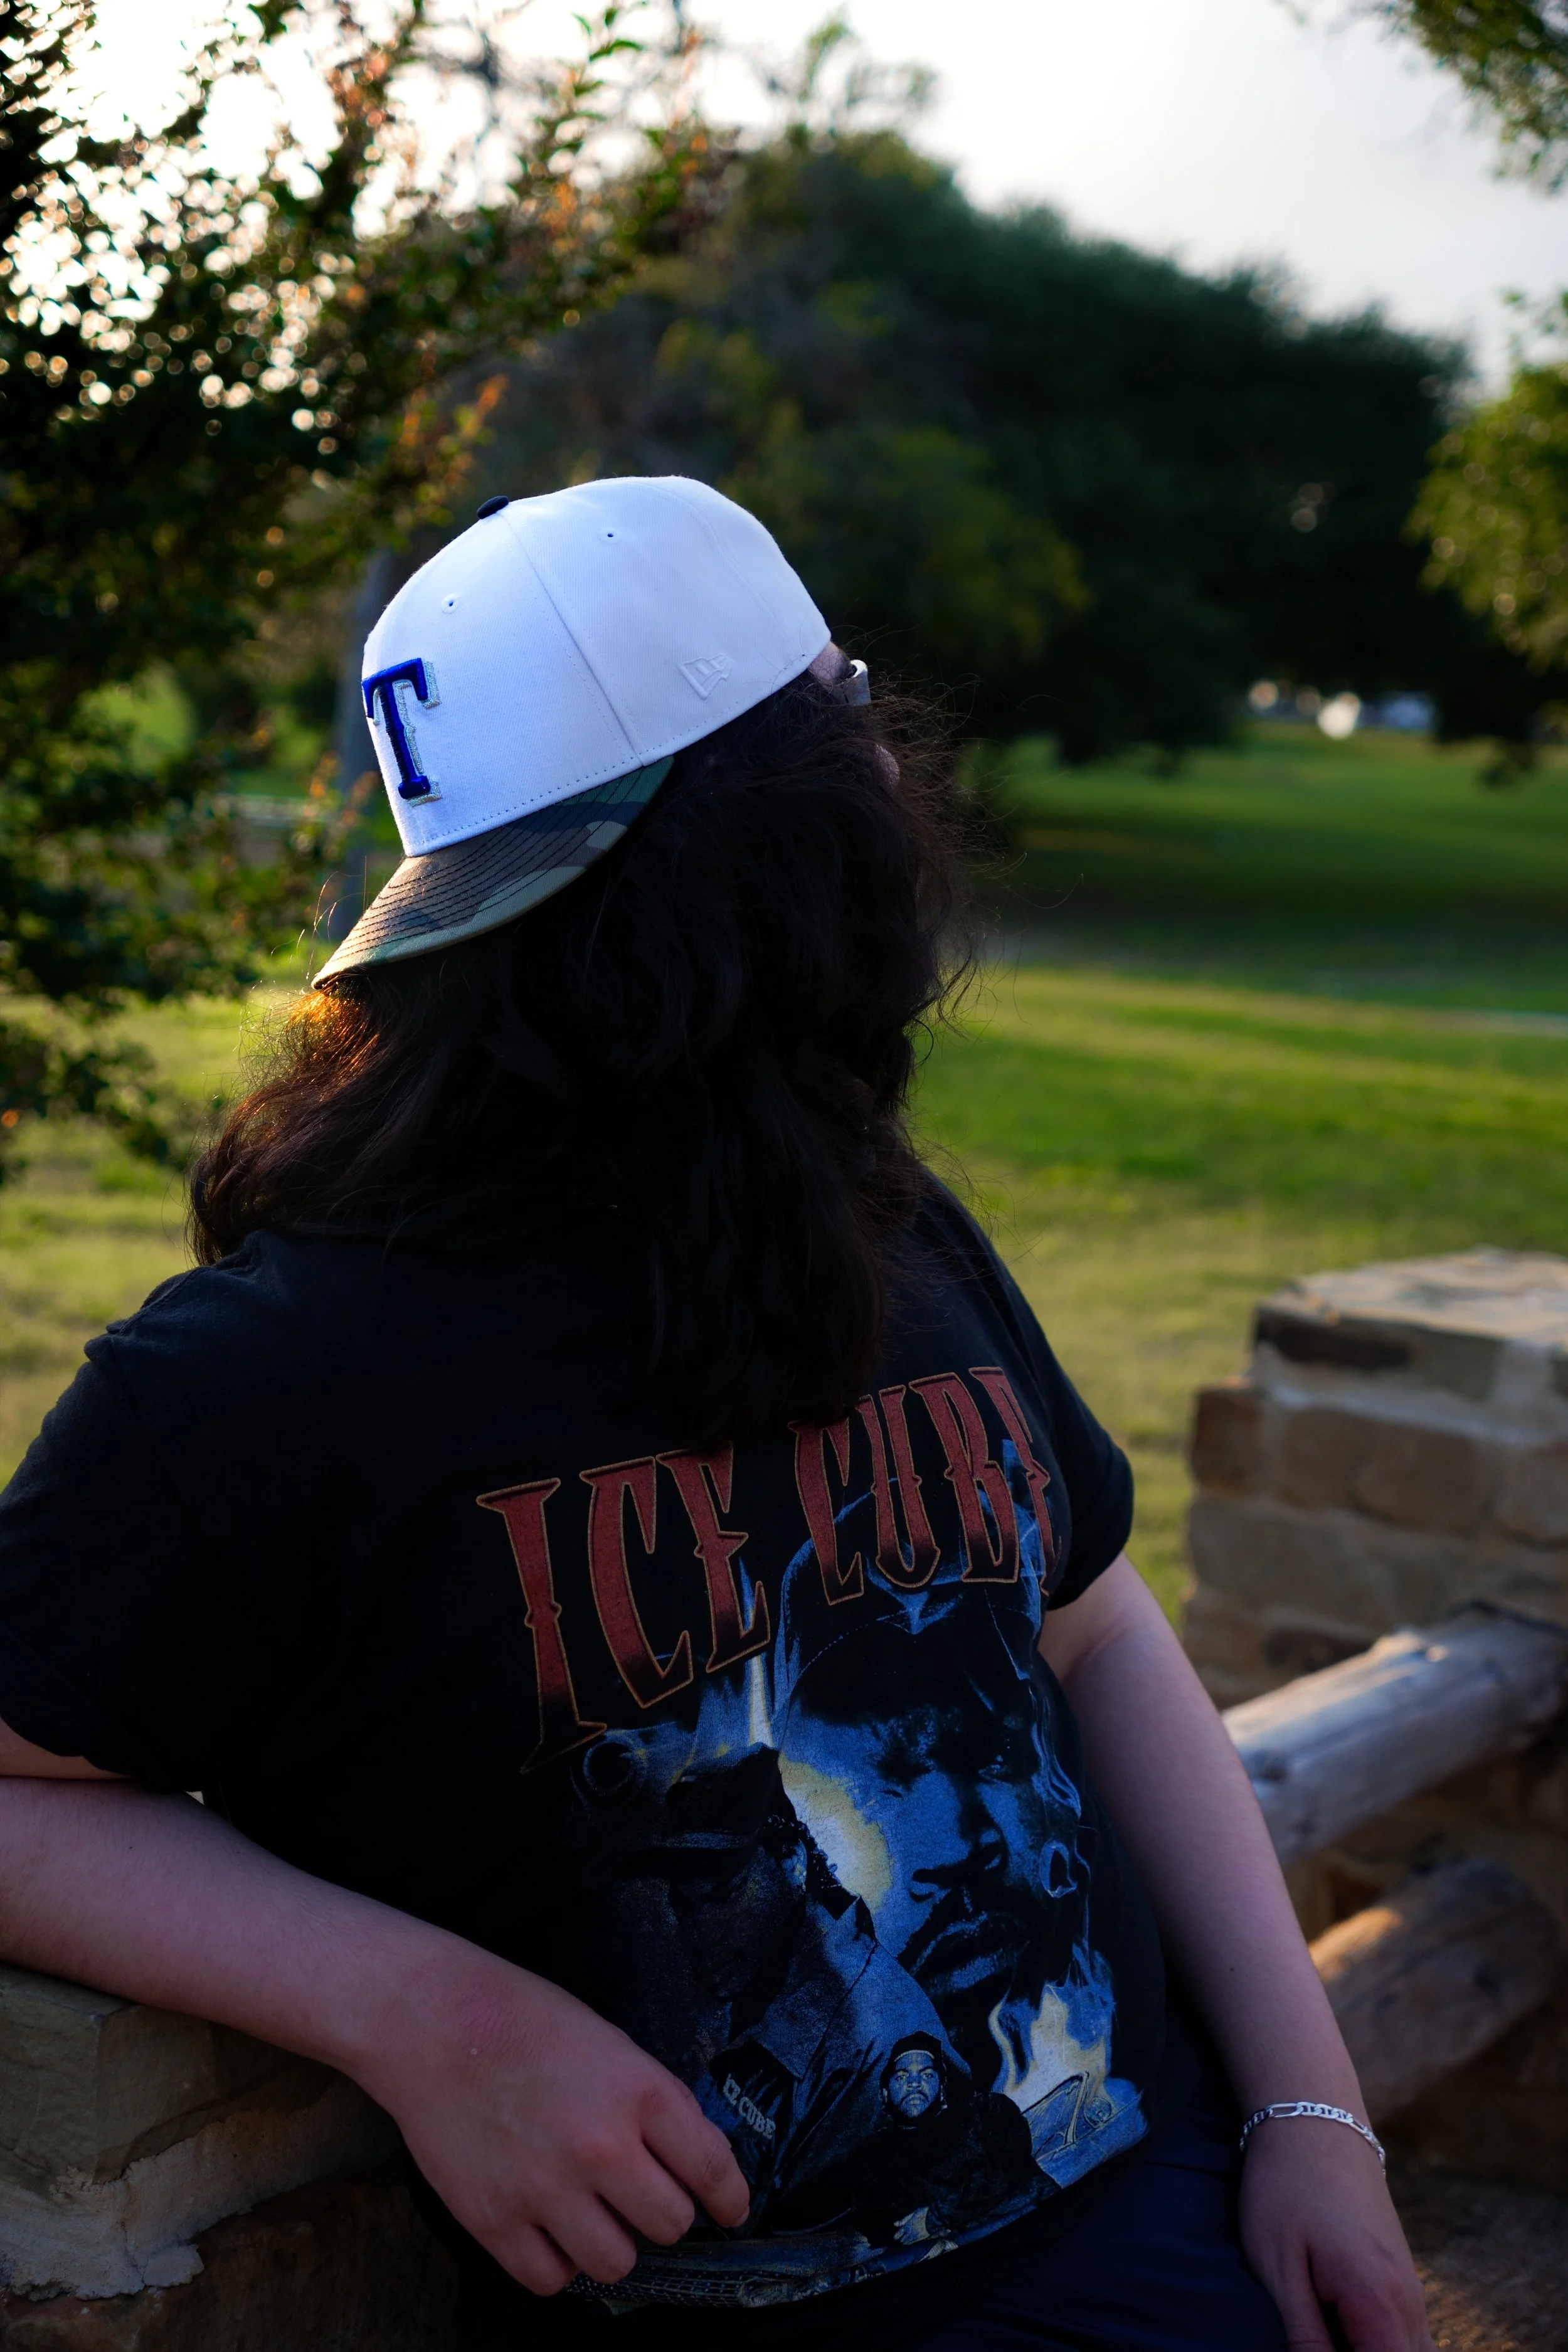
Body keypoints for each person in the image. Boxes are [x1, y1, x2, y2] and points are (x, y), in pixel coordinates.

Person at [0, 476, 1433, 2351]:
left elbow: (1092, 1624)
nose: (898, 789)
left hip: (1155, 2215)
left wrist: (1310, 2116)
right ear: (786, 841)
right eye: (854, 728)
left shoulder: (880, 1222)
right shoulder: (260, 1376)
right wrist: (420, 2010)